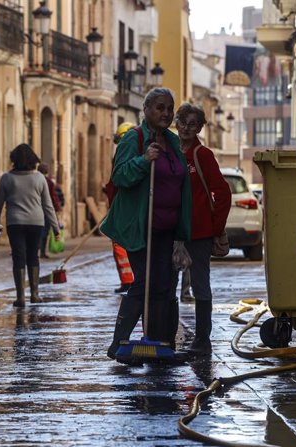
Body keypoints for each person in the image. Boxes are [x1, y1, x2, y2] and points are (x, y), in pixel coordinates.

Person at [100, 88, 192, 360]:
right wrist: (144, 160)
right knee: (145, 283)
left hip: (168, 229)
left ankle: (163, 344)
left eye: (169, 108)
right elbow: (120, 176)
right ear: (147, 110)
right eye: (160, 108)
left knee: (166, 286)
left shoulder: (174, 143)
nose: (166, 113)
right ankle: (119, 342)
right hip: (141, 227)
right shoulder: (134, 138)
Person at [174, 103, 231, 355]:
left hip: (199, 233)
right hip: (172, 231)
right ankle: (164, 336)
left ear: (200, 127)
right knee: (166, 284)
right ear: (176, 123)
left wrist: (214, 227)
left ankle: (202, 340)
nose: (186, 128)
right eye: (183, 122)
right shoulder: (169, 151)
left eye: (192, 124)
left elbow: (223, 192)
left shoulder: (203, 155)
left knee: (200, 285)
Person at [0, 144, 61, 307]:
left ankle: (20, 296)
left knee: (18, 256)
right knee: (33, 256)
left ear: (13, 160)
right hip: (36, 222)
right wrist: (56, 227)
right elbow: (48, 205)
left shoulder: (7, 178)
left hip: (14, 222)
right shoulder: (39, 178)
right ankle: (35, 294)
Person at [109, 122, 137, 294]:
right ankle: (129, 280)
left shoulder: (124, 155)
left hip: (123, 208)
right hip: (123, 206)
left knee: (120, 245)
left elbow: (118, 181)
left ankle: (128, 281)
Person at [36, 162, 61, 259]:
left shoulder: (35, 181)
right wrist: (57, 207)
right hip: (46, 210)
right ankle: (42, 251)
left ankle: (36, 249)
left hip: (36, 209)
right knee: (45, 231)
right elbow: (53, 197)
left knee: (37, 230)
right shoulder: (49, 182)